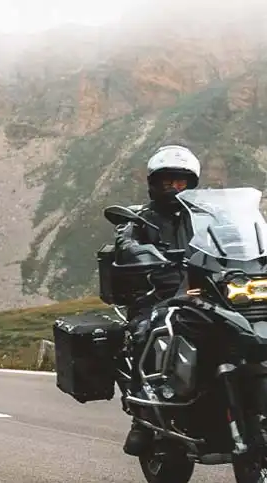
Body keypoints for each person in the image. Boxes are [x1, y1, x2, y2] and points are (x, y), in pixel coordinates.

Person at [114, 144, 201, 457]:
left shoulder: (205, 217)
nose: (176, 188)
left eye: (182, 182)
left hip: (202, 290)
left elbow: (233, 237)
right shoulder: (141, 218)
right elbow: (125, 241)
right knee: (142, 332)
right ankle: (142, 417)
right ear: (155, 183)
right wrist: (137, 251)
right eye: (169, 181)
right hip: (156, 294)